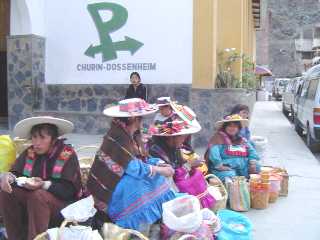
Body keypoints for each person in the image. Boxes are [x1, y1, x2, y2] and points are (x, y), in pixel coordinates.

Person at [87, 98, 175, 232]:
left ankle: (154, 220)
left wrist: (159, 164)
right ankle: (134, 224)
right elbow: (133, 168)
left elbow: (142, 159)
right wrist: (159, 170)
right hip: (108, 188)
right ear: (134, 119)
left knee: (152, 177)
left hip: (121, 178)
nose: (142, 120)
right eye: (140, 118)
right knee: (138, 184)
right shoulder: (118, 136)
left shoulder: (132, 135)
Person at [0, 116, 82, 240]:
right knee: (8, 193)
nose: (37, 142)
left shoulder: (67, 154)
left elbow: (68, 191)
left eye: (42, 137)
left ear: (53, 139)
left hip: (63, 208)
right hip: (34, 204)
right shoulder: (29, 152)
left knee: (38, 195)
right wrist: (8, 177)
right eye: (34, 137)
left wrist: (43, 184)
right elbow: (16, 174)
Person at [148, 103, 215, 209]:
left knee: (198, 174)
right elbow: (170, 174)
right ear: (170, 138)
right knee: (185, 185)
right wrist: (189, 165)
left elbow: (180, 164)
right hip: (163, 187)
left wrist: (191, 165)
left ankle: (200, 206)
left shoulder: (175, 148)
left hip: (175, 180)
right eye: (181, 137)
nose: (184, 140)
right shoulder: (155, 151)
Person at [205, 114, 260, 182]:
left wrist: (253, 163)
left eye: (235, 126)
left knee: (257, 167)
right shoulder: (218, 138)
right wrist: (219, 166)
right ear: (225, 127)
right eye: (230, 126)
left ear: (238, 128)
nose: (232, 128)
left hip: (242, 167)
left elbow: (252, 151)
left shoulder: (242, 140)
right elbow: (214, 153)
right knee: (229, 176)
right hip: (225, 167)